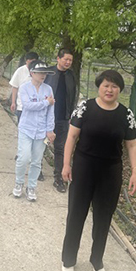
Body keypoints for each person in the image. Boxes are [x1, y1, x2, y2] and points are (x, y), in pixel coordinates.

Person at [60, 70, 136, 271]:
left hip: (110, 172)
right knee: (76, 214)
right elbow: (71, 137)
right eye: (106, 85)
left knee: (104, 217)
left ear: (120, 89)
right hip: (84, 168)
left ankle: (97, 259)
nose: (109, 90)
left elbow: (132, 145)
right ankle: (68, 259)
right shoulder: (85, 108)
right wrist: (66, 164)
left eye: (114, 86)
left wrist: (135, 172)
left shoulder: (126, 115)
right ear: (99, 87)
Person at [12, 60, 56, 202]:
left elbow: (51, 111)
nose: (43, 75)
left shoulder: (48, 89)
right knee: (23, 158)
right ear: (32, 73)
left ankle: (31, 187)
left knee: (37, 161)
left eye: (45, 73)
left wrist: (50, 130)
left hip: (41, 131)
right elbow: (27, 105)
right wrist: (46, 102)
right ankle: (19, 183)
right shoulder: (24, 88)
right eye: (40, 73)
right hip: (26, 128)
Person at [44, 49, 77, 193]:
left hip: (63, 118)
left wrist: (72, 115)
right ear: (58, 58)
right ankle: (37, 169)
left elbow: (74, 95)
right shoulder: (49, 73)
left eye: (70, 60)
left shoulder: (71, 75)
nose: (68, 62)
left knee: (60, 148)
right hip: (46, 117)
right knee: (42, 144)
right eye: (66, 59)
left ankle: (58, 178)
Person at [9, 51, 39, 123]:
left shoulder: (40, 72)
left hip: (35, 108)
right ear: (26, 61)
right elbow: (15, 87)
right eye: (30, 62)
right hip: (22, 107)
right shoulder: (20, 71)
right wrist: (13, 102)